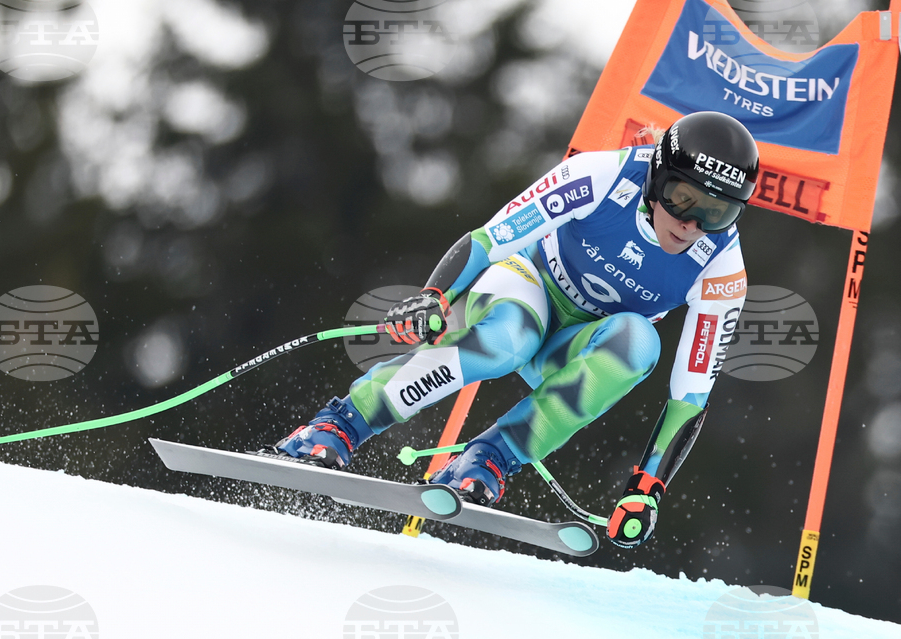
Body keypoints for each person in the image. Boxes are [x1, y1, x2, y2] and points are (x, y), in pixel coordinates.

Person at [271, 111, 758, 549]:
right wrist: (436, 295)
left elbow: (690, 396)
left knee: (639, 344)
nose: (692, 224)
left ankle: (490, 458)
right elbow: (490, 239)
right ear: (657, 175)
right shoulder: (602, 175)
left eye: (718, 213)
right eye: (682, 199)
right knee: (511, 339)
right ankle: (342, 422)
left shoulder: (721, 268)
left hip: (573, 347)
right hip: (528, 286)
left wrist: (646, 489)